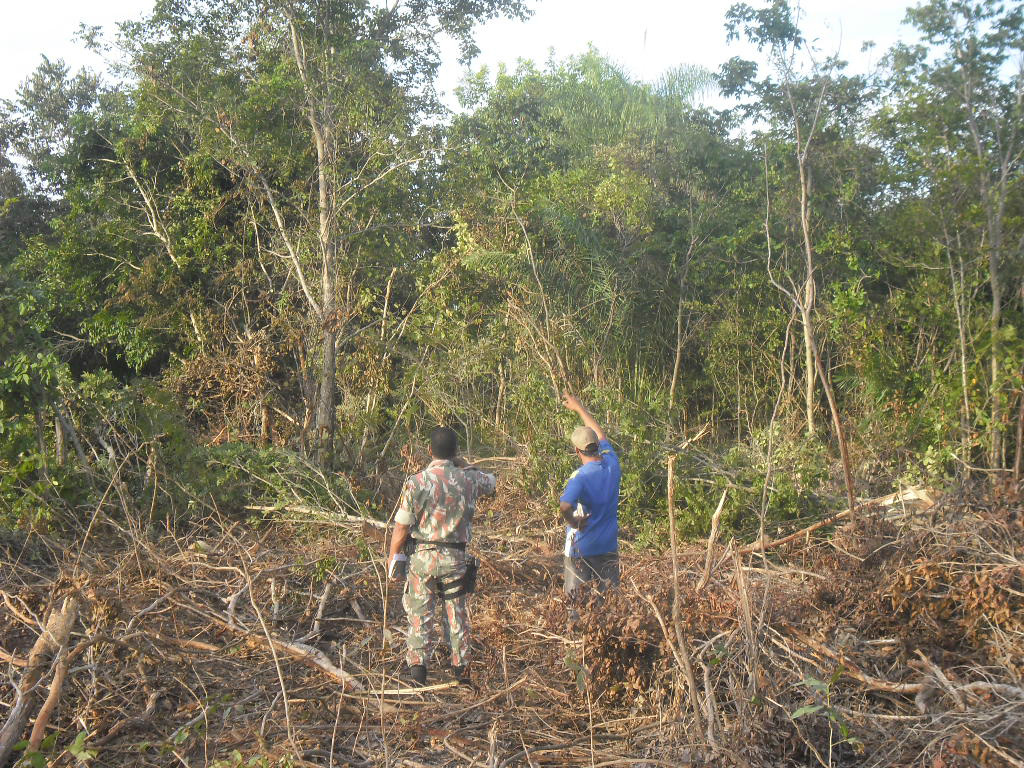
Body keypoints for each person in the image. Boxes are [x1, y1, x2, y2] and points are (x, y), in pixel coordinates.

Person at [387, 426, 496, 686]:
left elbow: (402, 525)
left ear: (429, 451)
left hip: (422, 557)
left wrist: (394, 556)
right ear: (455, 452)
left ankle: (418, 670)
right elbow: (492, 482)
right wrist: (465, 465)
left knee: (419, 613)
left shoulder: (416, 482)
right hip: (455, 558)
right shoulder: (469, 479)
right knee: (456, 613)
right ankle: (461, 670)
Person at [559, 393, 621, 594]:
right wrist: (579, 408)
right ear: (597, 447)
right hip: (608, 546)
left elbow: (565, 506)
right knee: (610, 604)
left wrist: (573, 521)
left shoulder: (580, 477)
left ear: (577, 451)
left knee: (577, 604)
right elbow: (600, 433)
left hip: (581, 549)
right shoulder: (612, 463)